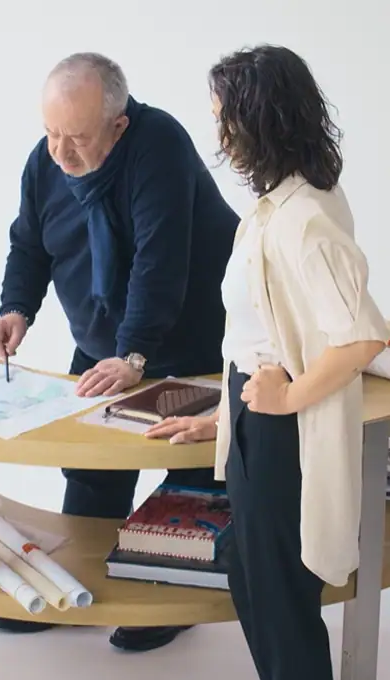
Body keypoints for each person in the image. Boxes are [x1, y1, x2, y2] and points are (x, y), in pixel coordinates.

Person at [0, 52, 240, 650]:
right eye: (51, 134)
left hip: (189, 336)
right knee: (92, 465)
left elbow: (160, 262)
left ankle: (168, 599)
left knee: (190, 471)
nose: (61, 153)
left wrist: (135, 357)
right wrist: (15, 308)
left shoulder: (160, 145)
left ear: (118, 125)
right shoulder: (46, 160)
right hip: (105, 341)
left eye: (77, 138)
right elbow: (29, 241)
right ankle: (70, 590)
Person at [146, 45, 389, 680]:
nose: (219, 131)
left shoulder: (305, 217)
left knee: (279, 598)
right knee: (253, 580)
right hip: (255, 414)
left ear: (260, 119)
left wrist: (284, 400)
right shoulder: (274, 207)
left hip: (283, 426)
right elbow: (248, 333)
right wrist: (222, 420)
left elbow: (362, 338)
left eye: (225, 115)